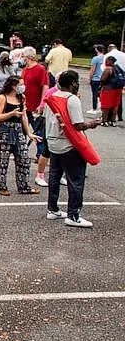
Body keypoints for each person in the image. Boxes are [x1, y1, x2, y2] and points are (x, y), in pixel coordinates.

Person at [44, 71, 101, 227]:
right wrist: (92, 124)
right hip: (69, 144)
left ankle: (53, 209)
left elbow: (46, 119)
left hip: (53, 142)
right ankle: (73, 214)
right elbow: (77, 125)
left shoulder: (51, 97)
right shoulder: (72, 99)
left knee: (55, 176)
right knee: (76, 179)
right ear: (73, 83)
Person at [0, 76, 42, 196]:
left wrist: (29, 133)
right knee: (3, 161)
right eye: (20, 84)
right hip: (5, 130)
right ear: (13, 86)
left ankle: (24, 186)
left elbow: (24, 116)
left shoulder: (21, 98)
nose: (22, 86)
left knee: (24, 158)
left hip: (19, 130)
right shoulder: (2, 97)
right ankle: (2, 186)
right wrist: (12, 113)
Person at [20, 47, 51, 187]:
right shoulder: (25, 69)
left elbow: (45, 87)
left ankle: (40, 157)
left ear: (29, 57)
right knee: (23, 131)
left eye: (24, 56)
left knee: (38, 133)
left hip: (36, 106)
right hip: (25, 105)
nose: (23, 59)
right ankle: (22, 153)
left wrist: (42, 103)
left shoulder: (40, 69)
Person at [98, 56, 122, 126]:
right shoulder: (118, 68)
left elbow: (102, 79)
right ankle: (113, 121)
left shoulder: (108, 69)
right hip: (118, 89)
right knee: (115, 105)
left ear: (110, 61)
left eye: (106, 60)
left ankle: (104, 121)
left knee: (106, 106)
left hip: (108, 89)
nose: (105, 62)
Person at [86, 45, 106, 115]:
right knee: (101, 94)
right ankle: (101, 108)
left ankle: (94, 109)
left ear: (97, 50)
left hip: (95, 79)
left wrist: (89, 78)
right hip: (103, 78)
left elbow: (92, 70)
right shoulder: (106, 58)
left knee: (94, 94)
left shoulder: (95, 58)